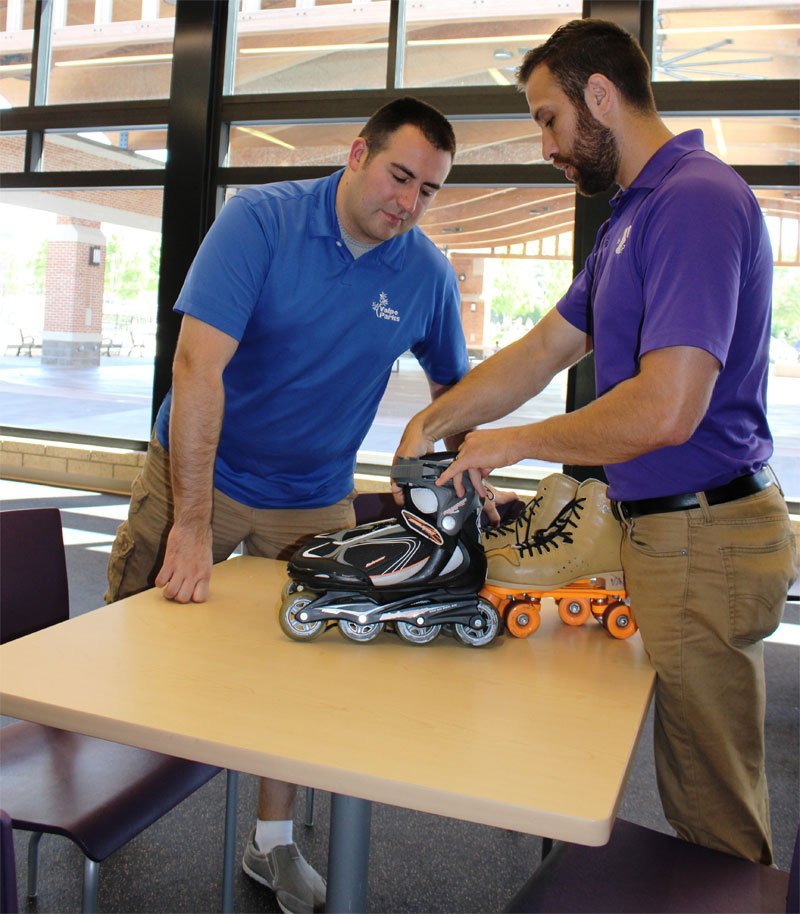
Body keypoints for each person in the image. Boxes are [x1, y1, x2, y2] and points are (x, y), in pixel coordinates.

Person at [395, 20, 797, 865]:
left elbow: (668, 408)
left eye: (549, 118)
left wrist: (516, 444)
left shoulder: (695, 199)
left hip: (706, 535)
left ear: (601, 97)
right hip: (666, 527)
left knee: (712, 804)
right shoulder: (633, 216)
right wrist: (437, 421)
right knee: (686, 772)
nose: (545, 145)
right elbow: (545, 348)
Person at [106, 97, 472, 914]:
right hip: (201, 468)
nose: (409, 203)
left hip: (312, 499)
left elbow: (453, 386)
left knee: (309, 675)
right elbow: (198, 368)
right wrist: (193, 524)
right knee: (126, 630)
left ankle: (272, 844)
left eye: (430, 191)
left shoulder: (423, 272)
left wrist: (468, 457)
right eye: (400, 175)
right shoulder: (261, 223)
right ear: (356, 155)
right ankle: (71, 785)